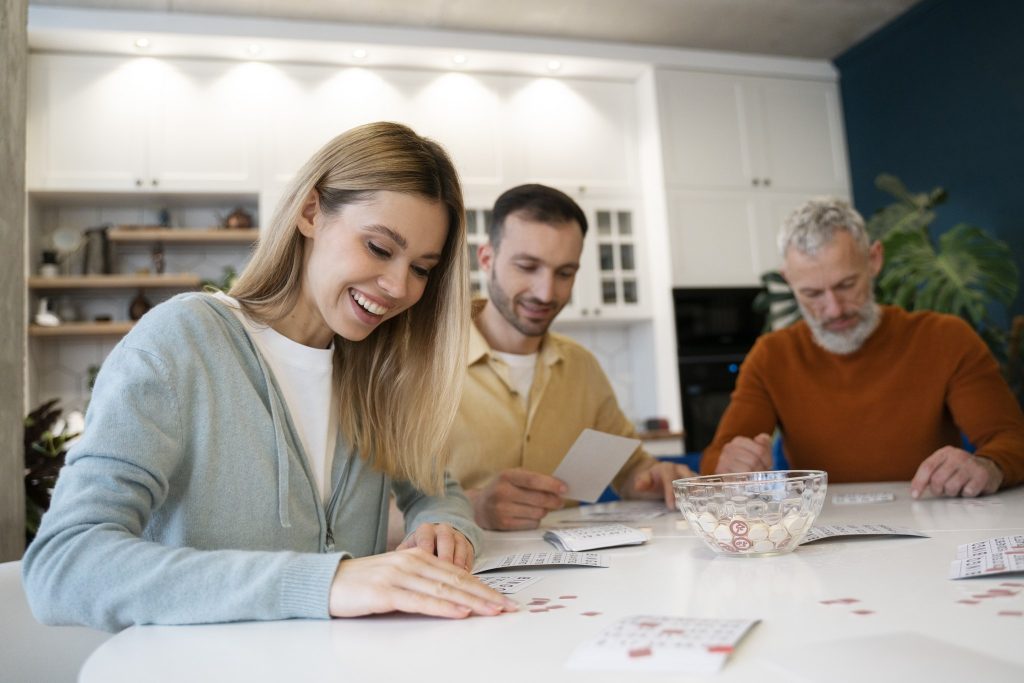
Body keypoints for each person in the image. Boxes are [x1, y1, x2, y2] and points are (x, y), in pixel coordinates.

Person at [22, 122, 516, 632]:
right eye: (378, 247)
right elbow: (64, 565)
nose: (397, 286)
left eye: (421, 268)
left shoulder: (375, 369)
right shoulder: (182, 341)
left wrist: (444, 526)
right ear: (310, 212)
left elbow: (437, 488)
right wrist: (326, 582)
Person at [700, 197, 1024, 498]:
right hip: (821, 538)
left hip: (933, 523)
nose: (834, 309)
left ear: (874, 260)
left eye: (846, 285)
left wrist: (988, 466)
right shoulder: (771, 357)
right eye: (812, 294)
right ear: (788, 281)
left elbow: (1013, 441)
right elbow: (717, 459)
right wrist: (728, 468)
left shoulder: (945, 338)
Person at [447, 184, 694, 531]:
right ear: (486, 259)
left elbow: (629, 471)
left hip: (572, 575)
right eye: (528, 266)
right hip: (460, 574)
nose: (546, 292)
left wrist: (654, 478)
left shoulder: (582, 367)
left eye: (565, 273)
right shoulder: (423, 364)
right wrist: (472, 509)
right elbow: (374, 514)